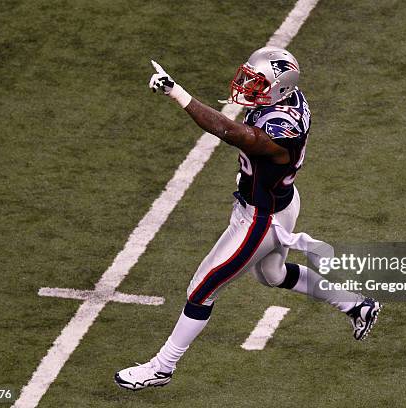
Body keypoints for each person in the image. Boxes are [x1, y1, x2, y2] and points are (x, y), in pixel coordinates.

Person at [115, 47, 381, 390]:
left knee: (201, 289)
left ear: (280, 88)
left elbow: (231, 133)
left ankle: (162, 367)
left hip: (261, 219)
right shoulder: (289, 97)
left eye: (258, 83)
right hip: (281, 203)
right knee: (273, 274)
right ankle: (357, 306)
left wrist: (176, 92)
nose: (248, 87)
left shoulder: (280, 130)